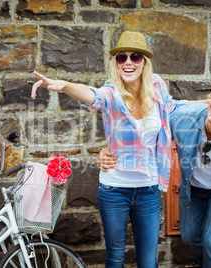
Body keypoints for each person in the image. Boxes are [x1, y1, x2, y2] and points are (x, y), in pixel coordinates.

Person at [31, 31, 191, 267]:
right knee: (115, 257)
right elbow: (92, 95)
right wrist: (64, 85)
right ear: (115, 63)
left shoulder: (156, 86)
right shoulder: (112, 93)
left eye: (135, 57)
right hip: (115, 189)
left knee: (148, 262)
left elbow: (175, 107)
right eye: (121, 57)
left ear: (144, 63)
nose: (127, 62)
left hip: (148, 190)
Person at [99, 76, 211, 267]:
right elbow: (146, 133)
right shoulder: (183, 119)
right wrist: (109, 148)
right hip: (191, 189)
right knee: (190, 237)